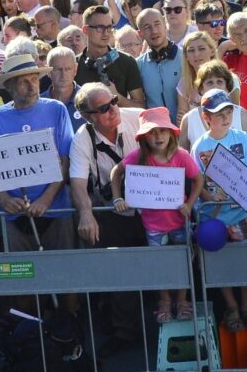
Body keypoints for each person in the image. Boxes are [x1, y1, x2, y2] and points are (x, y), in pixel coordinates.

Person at [68, 82, 147, 357]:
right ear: (89, 116)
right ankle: (125, 332)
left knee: (164, 261)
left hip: (153, 207)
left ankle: (170, 321)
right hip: (113, 211)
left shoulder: (137, 118)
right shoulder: (82, 138)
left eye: (113, 101)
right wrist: (86, 214)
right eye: (103, 108)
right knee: (120, 267)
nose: (113, 109)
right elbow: (78, 182)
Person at [110, 106, 204, 324]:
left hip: (180, 223)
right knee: (159, 264)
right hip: (153, 225)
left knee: (183, 262)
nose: (158, 136)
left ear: (171, 133)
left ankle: (182, 300)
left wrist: (190, 204)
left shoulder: (181, 156)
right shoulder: (138, 156)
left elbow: (198, 179)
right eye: (152, 132)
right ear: (144, 137)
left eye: (162, 130)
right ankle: (164, 301)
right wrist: (117, 197)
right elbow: (116, 171)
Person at [0, 54, 75, 253]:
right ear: (9, 86)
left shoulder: (56, 110)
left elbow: (65, 160)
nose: (33, 86)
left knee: (64, 274)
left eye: (34, 79)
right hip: (14, 215)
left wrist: (46, 199)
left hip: (56, 211)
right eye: (24, 82)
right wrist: (4, 199)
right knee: (22, 277)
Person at [190, 90, 247, 330]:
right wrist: (211, 198)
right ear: (206, 117)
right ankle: (231, 307)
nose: (226, 117)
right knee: (217, 263)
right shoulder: (200, 146)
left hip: (239, 214)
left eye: (228, 111)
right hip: (212, 218)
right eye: (219, 113)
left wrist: (245, 194)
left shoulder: (241, 138)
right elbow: (196, 182)